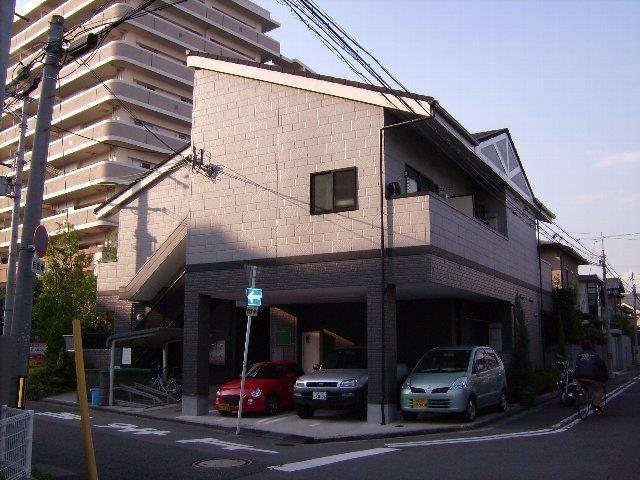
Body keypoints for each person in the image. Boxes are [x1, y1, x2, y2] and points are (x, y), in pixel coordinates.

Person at [574, 339, 608, 414]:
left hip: (579, 376)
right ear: (592, 346)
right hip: (592, 376)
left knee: (579, 382)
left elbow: (577, 365)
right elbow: (602, 366)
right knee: (598, 389)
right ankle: (596, 405)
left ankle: (579, 391)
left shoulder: (579, 355)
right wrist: (605, 374)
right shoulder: (595, 355)